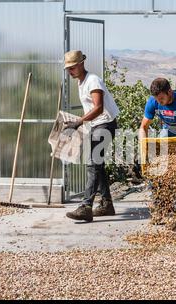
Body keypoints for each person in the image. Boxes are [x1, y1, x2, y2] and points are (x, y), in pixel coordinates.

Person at [63, 50, 119, 223]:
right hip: (96, 125)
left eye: (72, 67)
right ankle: (107, 204)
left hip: (105, 124)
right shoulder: (82, 82)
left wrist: (79, 122)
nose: (70, 71)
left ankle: (86, 206)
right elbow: (91, 110)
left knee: (93, 164)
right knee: (98, 165)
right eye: (68, 69)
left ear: (81, 64)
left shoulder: (93, 80)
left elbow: (99, 108)